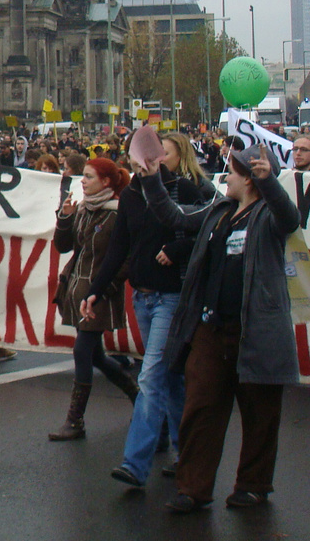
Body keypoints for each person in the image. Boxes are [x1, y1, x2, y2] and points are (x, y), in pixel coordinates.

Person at [136, 145, 300, 512]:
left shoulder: (267, 214)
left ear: (250, 178)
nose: (226, 177)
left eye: (233, 172)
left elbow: (290, 219)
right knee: (201, 408)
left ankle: (253, 485)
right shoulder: (220, 212)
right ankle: (192, 488)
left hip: (256, 330)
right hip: (212, 328)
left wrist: (269, 182)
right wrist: (150, 180)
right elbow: (175, 217)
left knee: (260, 412)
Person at [81, 134, 212, 487]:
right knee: (169, 377)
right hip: (142, 296)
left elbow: (206, 230)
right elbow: (119, 248)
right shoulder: (132, 197)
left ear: (168, 157)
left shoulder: (183, 190)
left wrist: (177, 247)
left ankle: (135, 464)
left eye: (155, 156)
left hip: (172, 297)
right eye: (137, 158)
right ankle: (186, 452)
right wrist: (96, 290)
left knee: (151, 376)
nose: (144, 163)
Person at [47, 158, 139, 441]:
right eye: (82, 176)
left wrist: (103, 289)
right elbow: (64, 246)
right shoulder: (84, 209)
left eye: (88, 177)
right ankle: (138, 396)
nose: (82, 181)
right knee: (96, 355)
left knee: (82, 351)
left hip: (98, 294)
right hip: (77, 291)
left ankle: (75, 421)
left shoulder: (117, 214)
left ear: (107, 182)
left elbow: (125, 260)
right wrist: (65, 217)